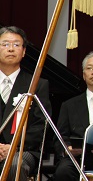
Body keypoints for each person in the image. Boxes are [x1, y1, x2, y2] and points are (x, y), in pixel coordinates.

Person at [0, 26, 52, 181]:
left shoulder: (36, 85)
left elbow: (42, 126)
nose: (10, 49)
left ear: (23, 52)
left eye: (16, 45)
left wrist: (13, 146)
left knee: (14, 164)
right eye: (5, 44)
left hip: (24, 149)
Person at [53, 51, 93, 180]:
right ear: (83, 75)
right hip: (77, 158)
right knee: (63, 171)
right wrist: (67, 149)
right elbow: (60, 136)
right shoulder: (69, 105)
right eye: (89, 68)